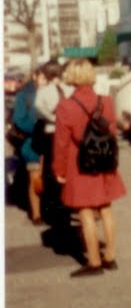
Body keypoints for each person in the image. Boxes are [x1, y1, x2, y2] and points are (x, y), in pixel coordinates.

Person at [53, 59, 126, 278]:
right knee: (106, 209)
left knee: (85, 212)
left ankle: (93, 261)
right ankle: (110, 257)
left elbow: (61, 143)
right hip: (104, 161)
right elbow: (112, 133)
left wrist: (60, 169)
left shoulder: (66, 106)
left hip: (80, 163)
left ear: (71, 77)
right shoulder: (106, 101)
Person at [35, 60, 77, 252]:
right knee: (66, 170)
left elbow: (38, 109)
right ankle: (66, 208)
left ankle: (57, 212)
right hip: (65, 133)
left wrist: (52, 118)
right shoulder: (67, 90)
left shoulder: (43, 92)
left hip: (52, 132)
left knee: (53, 172)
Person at [10, 67, 47, 224]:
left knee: (46, 178)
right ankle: (36, 213)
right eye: (43, 78)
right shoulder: (24, 95)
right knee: (35, 178)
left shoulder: (52, 92)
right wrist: (38, 128)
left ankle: (47, 210)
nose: (46, 81)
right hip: (31, 144)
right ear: (35, 76)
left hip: (50, 143)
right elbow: (19, 120)